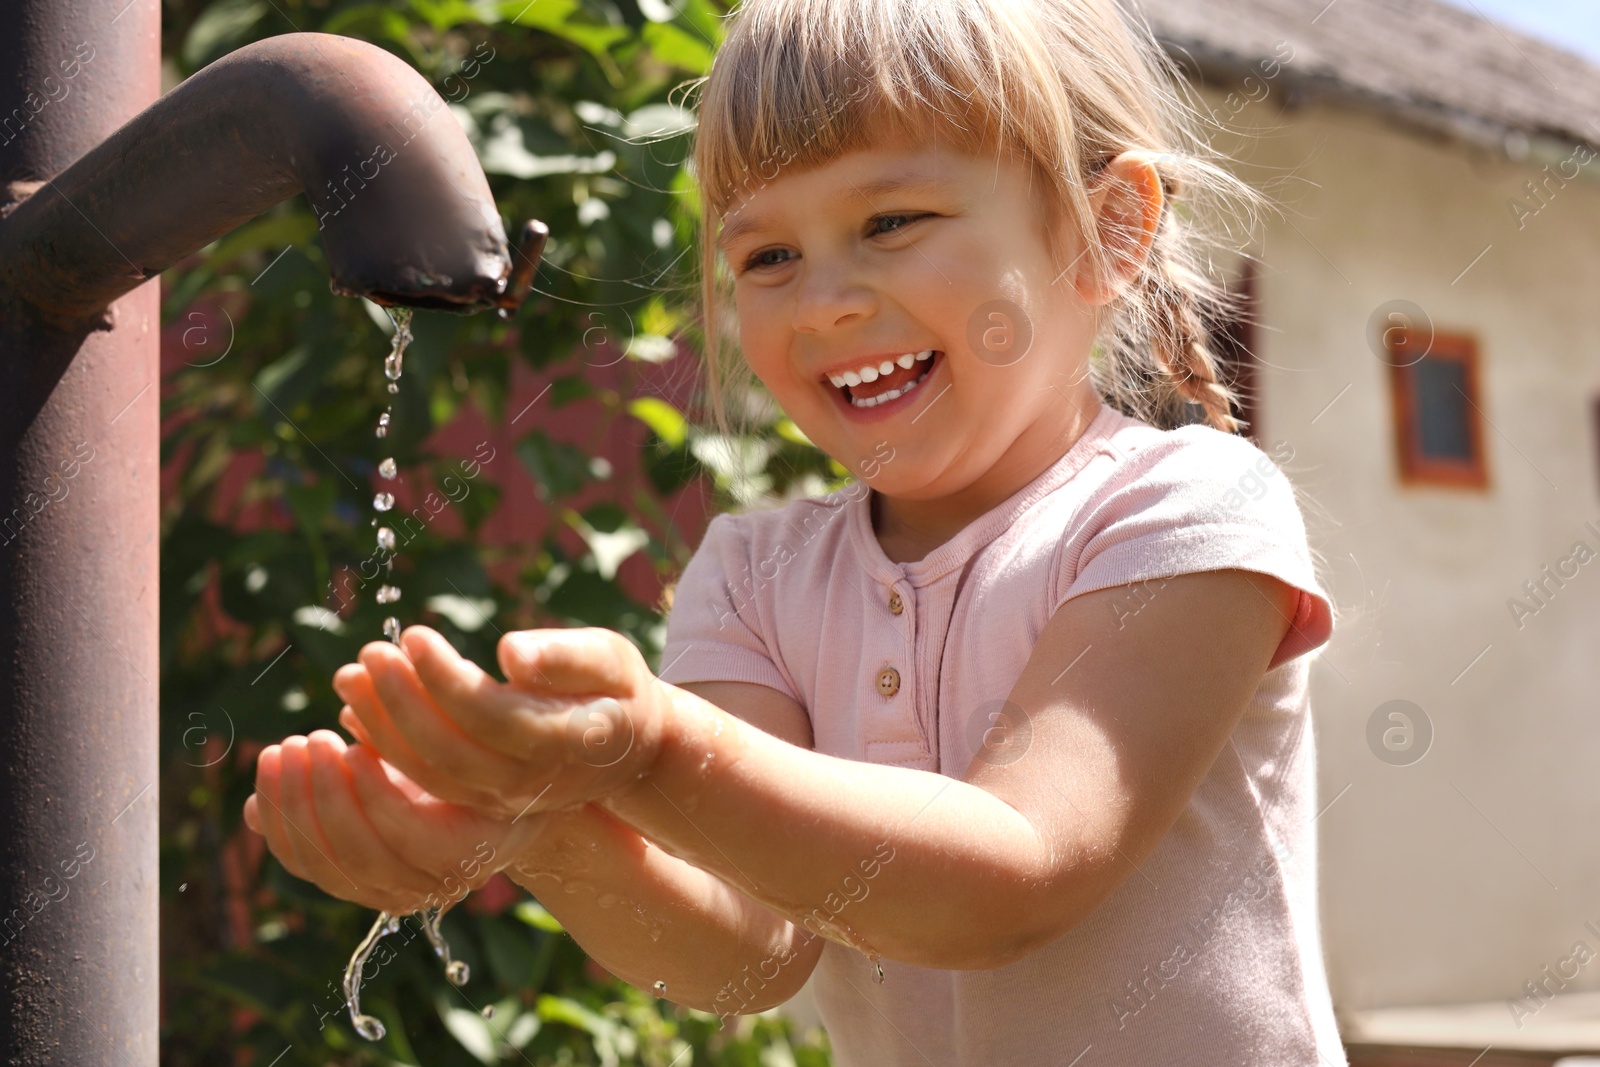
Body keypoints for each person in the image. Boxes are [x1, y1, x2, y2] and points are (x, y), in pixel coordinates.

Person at [243, 0, 1344, 1061]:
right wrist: (539, 828)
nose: (823, 302)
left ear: (1108, 229)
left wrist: (654, 748)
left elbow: (1018, 873)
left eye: (889, 223)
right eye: (765, 256)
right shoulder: (754, 574)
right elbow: (745, 949)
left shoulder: (1181, 511)